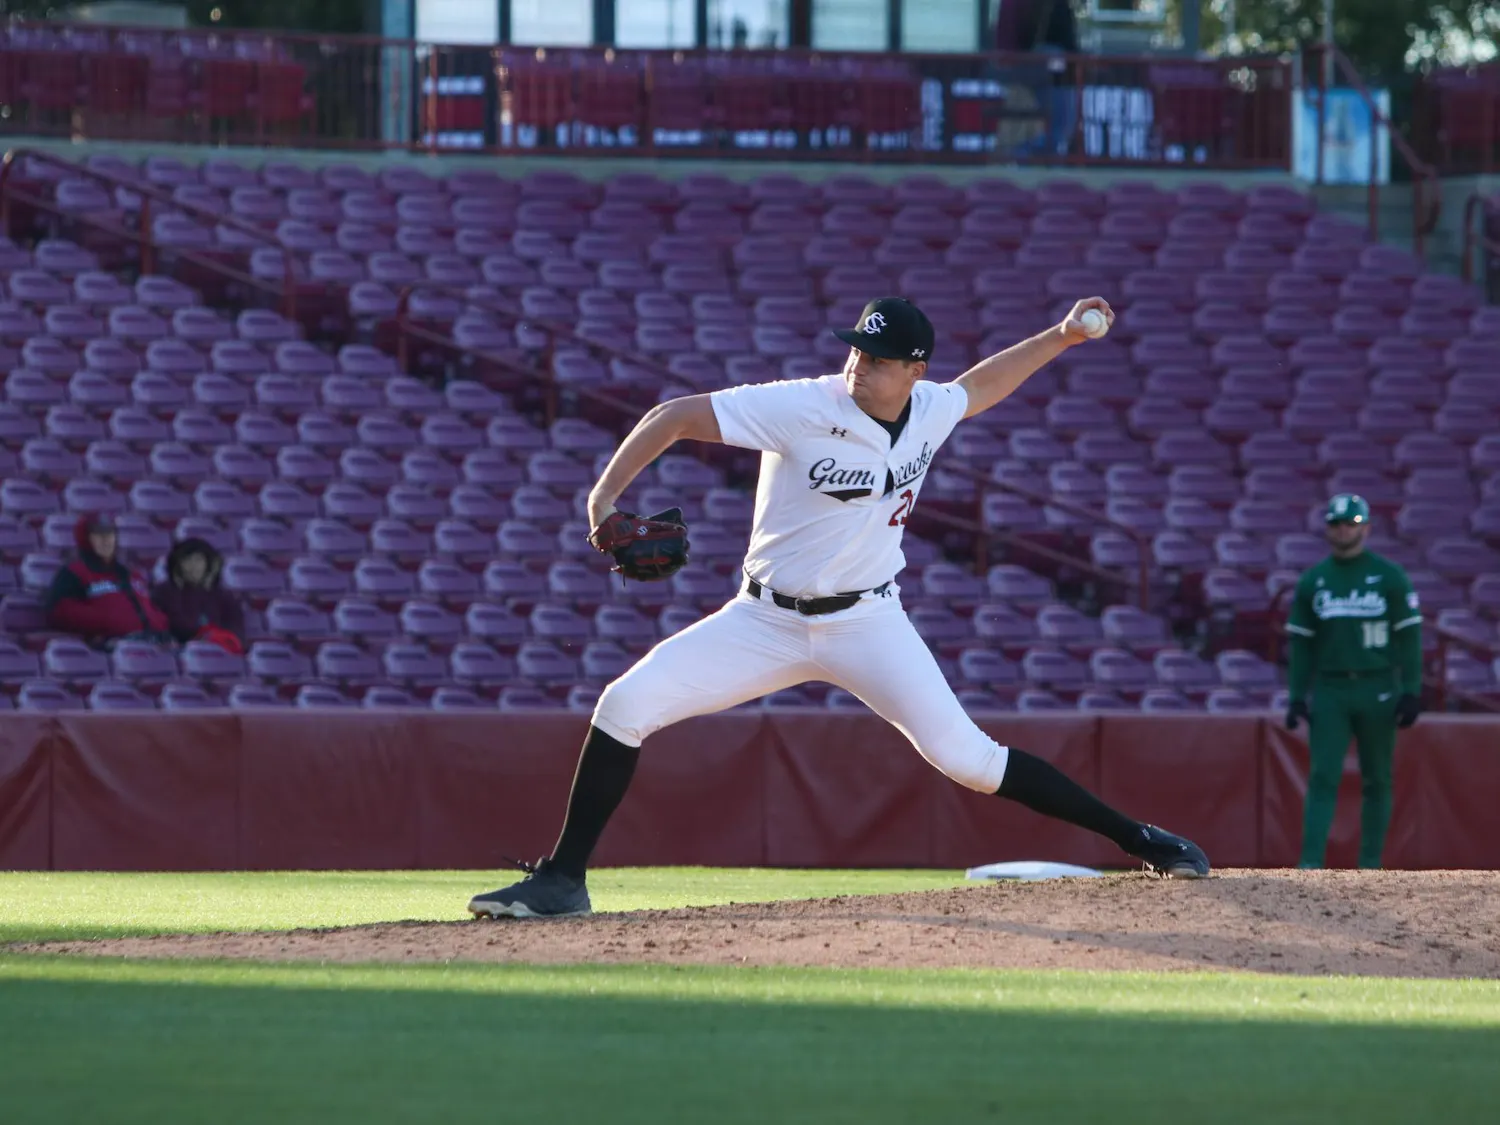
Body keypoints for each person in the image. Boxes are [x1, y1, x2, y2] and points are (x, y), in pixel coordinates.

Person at [469, 295, 1211, 920]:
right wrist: (604, 499)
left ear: (914, 371)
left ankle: (1140, 838)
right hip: (765, 619)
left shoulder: (930, 408)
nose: (860, 364)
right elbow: (673, 415)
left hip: (867, 621)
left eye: (879, 358)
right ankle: (564, 880)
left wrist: (1061, 334)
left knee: (969, 758)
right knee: (624, 704)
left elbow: (984, 386)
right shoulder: (802, 405)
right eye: (857, 350)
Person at [1284, 494, 1423, 870]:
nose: (1343, 529)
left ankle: (1370, 866)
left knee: (1378, 778)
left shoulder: (1389, 576)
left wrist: (1412, 690)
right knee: (1323, 775)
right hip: (1331, 689)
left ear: (1366, 527)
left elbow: (1409, 637)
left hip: (1378, 686)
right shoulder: (1315, 579)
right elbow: (1301, 645)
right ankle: (1310, 864)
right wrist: (1296, 696)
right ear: (1327, 528)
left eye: (1351, 522)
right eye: (1336, 523)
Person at [44, 513, 173, 646]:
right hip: (110, 649)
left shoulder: (131, 575)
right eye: (98, 535)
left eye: (109, 534)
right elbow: (59, 612)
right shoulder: (74, 573)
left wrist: (160, 625)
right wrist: (108, 621)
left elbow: (150, 609)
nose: (105, 540)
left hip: (151, 645)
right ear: (85, 539)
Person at [150, 537, 245, 653]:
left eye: (198, 560)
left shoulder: (224, 596)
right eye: (187, 561)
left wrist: (214, 638)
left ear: (208, 563)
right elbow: (165, 626)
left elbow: (235, 630)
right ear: (177, 564)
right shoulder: (163, 592)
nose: (193, 566)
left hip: (217, 653)